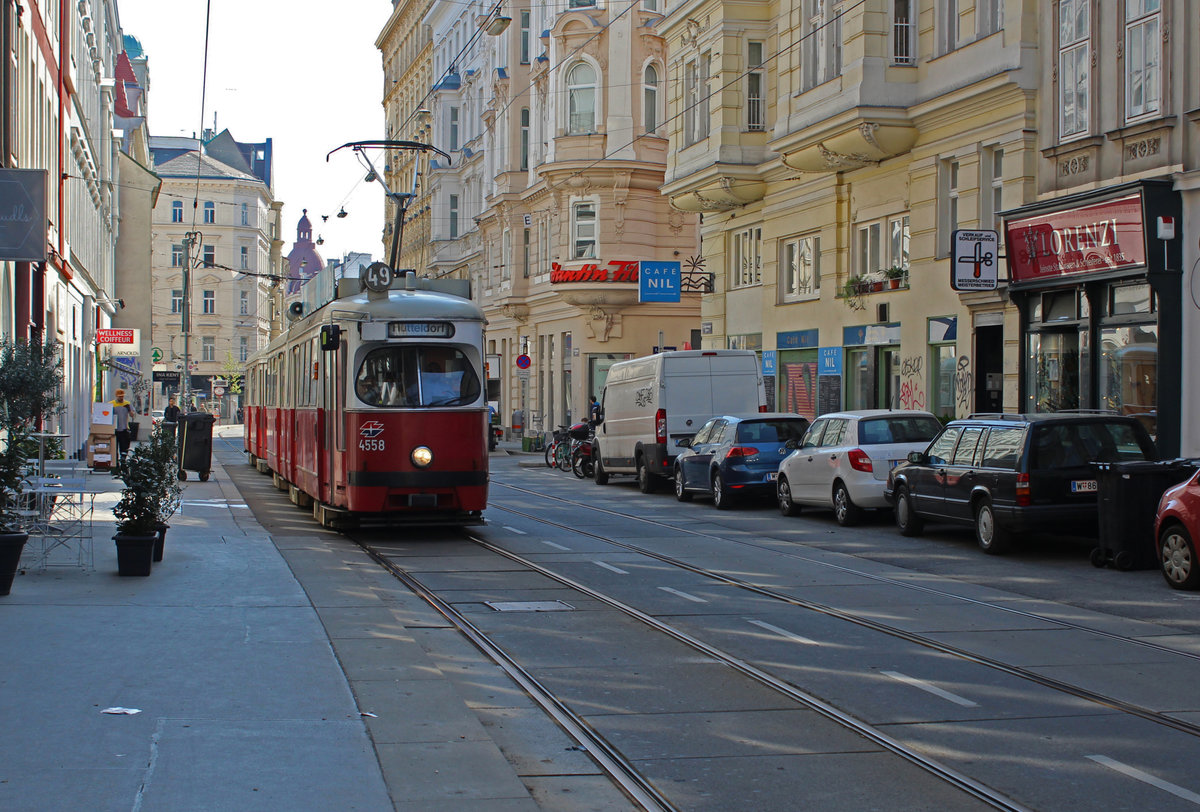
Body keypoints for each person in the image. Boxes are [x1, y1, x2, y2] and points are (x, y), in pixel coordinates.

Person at [111, 388, 136, 473]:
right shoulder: (112, 404)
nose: (121, 398)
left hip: (124, 429)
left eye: (122, 396)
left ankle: (123, 464)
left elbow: (133, 415)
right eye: (119, 396)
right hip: (114, 430)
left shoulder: (127, 404)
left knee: (124, 448)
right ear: (116, 396)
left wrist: (129, 410)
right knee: (114, 449)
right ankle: (115, 466)